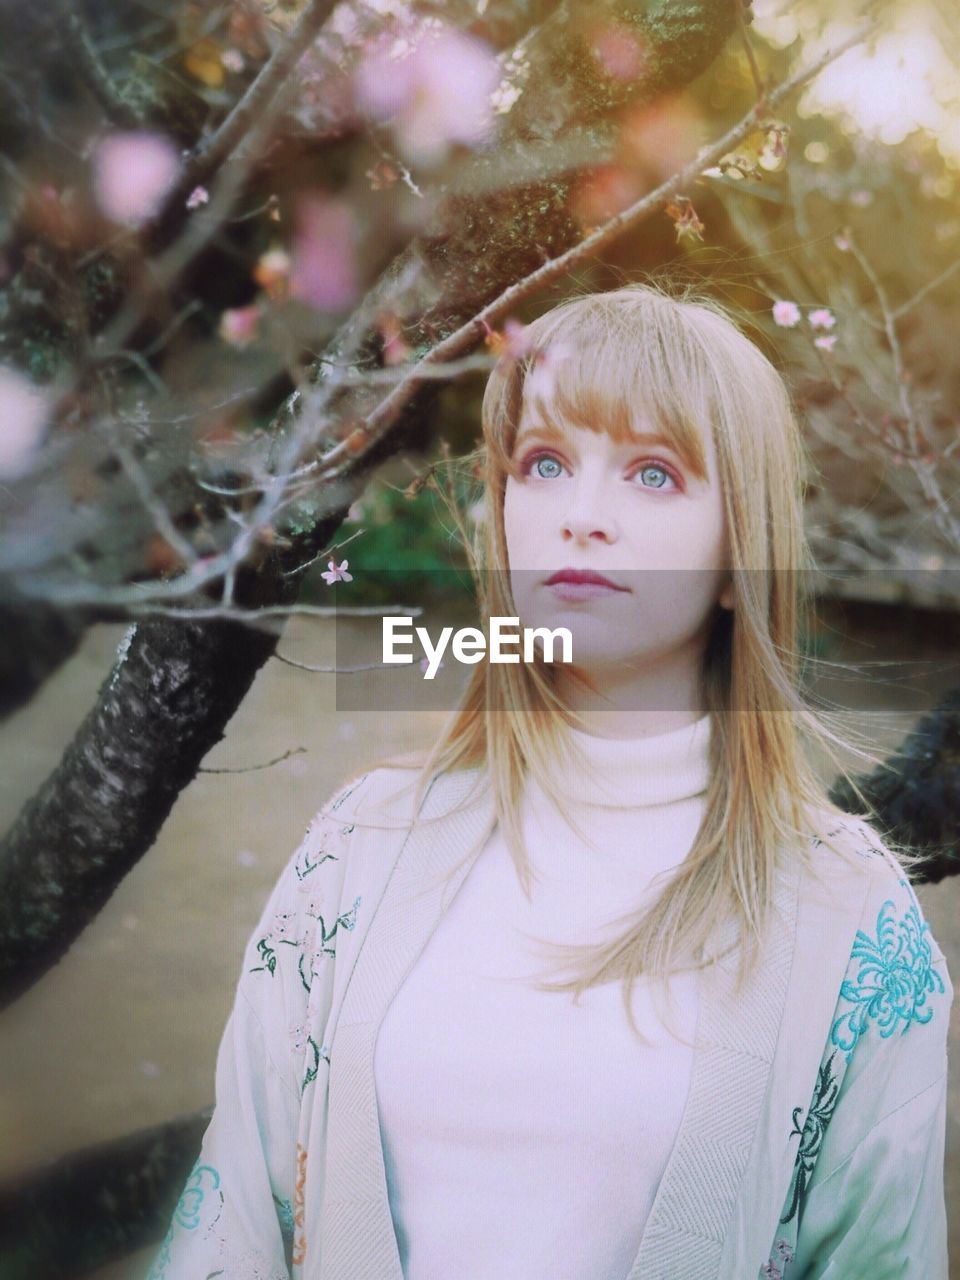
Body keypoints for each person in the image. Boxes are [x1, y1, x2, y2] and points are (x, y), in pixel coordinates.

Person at [146, 282, 952, 1280]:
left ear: (742, 543)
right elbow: (229, 1226)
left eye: (653, 473)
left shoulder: (850, 921)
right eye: (546, 462)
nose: (582, 516)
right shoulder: (357, 849)